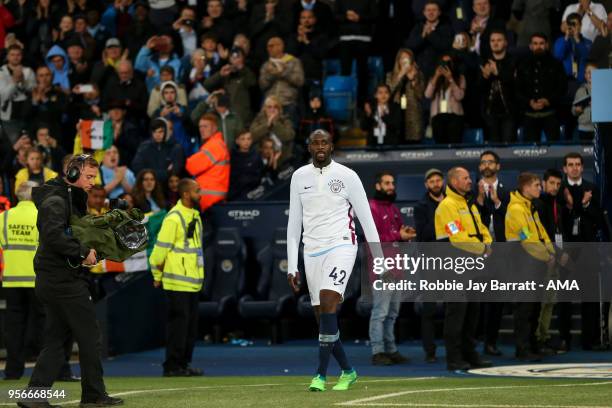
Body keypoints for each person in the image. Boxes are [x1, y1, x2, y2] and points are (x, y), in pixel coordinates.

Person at [23, 154, 122, 407]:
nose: (92, 182)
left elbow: (71, 232)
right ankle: (93, 395)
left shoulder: (65, 197)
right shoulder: (57, 200)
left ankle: (35, 395)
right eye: (88, 176)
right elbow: (54, 235)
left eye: (93, 177)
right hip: (62, 280)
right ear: (73, 173)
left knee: (58, 338)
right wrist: (81, 252)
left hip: (55, 277)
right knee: (89, 335)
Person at [286, 129, 381, 392]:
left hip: (341, 245)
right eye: (315, 142)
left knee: (329, 301)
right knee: (322, 318)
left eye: (324, 142)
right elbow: (294, 224)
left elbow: (366, 220)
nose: (320, 146)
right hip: (311, 251)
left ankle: (320, 375)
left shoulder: (347, 176)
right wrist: (292, 264)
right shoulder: (299, 177)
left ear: (331, 146)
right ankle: (348, 371)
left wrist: (380, 259)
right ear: (309, 147)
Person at [434, 167, 492, 371]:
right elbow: (457, 238)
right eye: (466, 178)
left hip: (474, 265)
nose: (470, 181)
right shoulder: (447, 206)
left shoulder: (469, 205)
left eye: (469, 177)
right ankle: (454, 356)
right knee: (456, 313)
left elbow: (483, 229)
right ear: (454, 181)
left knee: (472, 312)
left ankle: (470, 352)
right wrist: (483, 247)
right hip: (455, 266)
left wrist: (488, 243)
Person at [149, 178, 204, 377]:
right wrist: (157, 275)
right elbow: (159, 251)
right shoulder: (173, 218)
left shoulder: (195, 216)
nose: (201, 194)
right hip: (176, 282)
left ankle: (184, 364)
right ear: (186, 194)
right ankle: (172, 366)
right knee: (178, 328)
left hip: (193, 283)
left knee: (190, 328)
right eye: (198, 191)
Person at [506, 172, 556, 361]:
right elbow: (527, 240)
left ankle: (532, 344)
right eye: (536, 185)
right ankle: (522, 348)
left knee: (534, 307)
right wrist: (547, 256)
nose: (539, 188)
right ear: (525, 187)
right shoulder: (517, 209)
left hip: (535, 262)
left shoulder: (530, 207)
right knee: (525, 308)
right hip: (522, 263)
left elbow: (541, 234)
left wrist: (550, 253)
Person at [368, 172, 413, 365]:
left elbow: (398, 235)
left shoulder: (394, 209)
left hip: (397, 267)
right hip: (381, 267)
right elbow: (373, 238)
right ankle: (377, 351)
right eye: (386, 183)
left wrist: (406, 233)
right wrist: (398, 234)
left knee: (392, 313)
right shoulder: (371, 207)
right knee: (380, 312)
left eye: (392, 183)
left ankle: (391, 349)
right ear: (378, 186)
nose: (391, 186)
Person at [561, 152, 605, 350]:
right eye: (570, 164)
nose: (574, 168)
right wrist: (579, 205)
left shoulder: (591, 189)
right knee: (565, 297)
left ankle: (590, 339)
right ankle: (564, 339)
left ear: (582, 167)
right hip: (566, 249)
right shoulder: (559, 189)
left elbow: (597, 217)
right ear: (565, 168)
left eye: (578, 164)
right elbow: (561, 216)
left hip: (588, 249)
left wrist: (584, 205)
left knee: (590, 297)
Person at [475, 150, 510, 357]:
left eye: (490, 162)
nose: (486, 165)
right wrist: (480, 200)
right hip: (477, 253)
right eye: (483, 162)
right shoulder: (470, 191)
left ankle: (491, 342)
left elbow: (510, 219)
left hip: (500, 252)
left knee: (496, 300)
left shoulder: (507, 192)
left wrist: (497, 202)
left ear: (498, 166)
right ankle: (473, 341)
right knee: (476, 300)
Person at [533, 169, 571, 353]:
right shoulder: (538, 204)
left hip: (555, 257)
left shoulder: (558, 204)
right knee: (541, 301)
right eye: (551, 183)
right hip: (543, 259)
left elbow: (558, 230)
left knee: (550, 301)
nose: (555, 187)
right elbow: (541, 235)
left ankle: (544, 336)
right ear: (543, 183)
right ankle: (536, 338)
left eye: (558, 184)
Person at [414, 168, 445, 363]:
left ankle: (455, 346)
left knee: (455, 305)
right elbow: (423, 234)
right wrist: (442, 213)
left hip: (452, 260)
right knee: (429, 309)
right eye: (431, 181)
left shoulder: (452, 201)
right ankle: (430, 350)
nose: (435, 183)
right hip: (431, 261)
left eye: (438, 180)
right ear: (426, 185)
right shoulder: (421, 206)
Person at [515, 33, 567, 142]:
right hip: (529, 115)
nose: (538, 46)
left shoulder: (556, 64)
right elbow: (517, 90)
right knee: (529, 152)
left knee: (555, 149)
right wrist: (529, 102)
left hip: (551, 115)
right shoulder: (522, 65)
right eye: (535, 43)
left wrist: (548, 100)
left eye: (541, 43)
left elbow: (562, 88)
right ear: (530, 46)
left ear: (547, 45)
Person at [185, 113, 230, 211]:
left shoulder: (214, 145)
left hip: (209, 200)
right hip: (212, 199)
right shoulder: (217, 144)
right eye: (200, 126)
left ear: (214, 128)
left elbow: (192, 166)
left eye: (205, 126)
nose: (202, 129)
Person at [202, 46, 257, 125]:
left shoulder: (247, 72)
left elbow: (253, 84)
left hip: (242, 118)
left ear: (243, 58)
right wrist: (220, 74)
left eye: (238, 56)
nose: (235, 59)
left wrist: (242, 69)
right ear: (229, 59)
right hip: (225, 118)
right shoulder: (224, 73)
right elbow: (206, 85)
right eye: (232, 56)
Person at [480, 30, 516, 143]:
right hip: (489, 113)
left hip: (509, 112)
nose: (495, 43)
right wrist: (485, 77)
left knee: (508, 147)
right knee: (492, 148)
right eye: (492, 40)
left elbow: (516, 85)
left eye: (499, 40)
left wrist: (497, 73)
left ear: (505, 42)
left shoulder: (513, 61)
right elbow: (477, 88)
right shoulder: (483, 61)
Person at [259, 36, 305, 122]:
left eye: (273, 46)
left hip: (287, 102)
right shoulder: (266, 65)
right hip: (270, 104)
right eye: (268, 46)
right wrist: (272, 75)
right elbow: (262, 85)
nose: (269, 49)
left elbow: (300, 81)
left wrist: (283, 73)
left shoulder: (293, 61)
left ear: (281, 46)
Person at [405, 1, 454, 79]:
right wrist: (422, 36)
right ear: (424, 12)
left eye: (434, 10)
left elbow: (445, 45)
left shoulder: (446, 28)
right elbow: (409, 45)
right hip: (419, 72)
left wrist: (431, 34)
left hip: (438, 73)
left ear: (439, 12)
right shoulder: (418, 27)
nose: (431, 13)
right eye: (428, 10)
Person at [425, 54, 467, 144]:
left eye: (448, 63)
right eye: (443, 63)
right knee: (441, 145)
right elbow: (427, 95)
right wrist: (436, 76)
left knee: (454, 144)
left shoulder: (460, 78)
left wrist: (451, 79)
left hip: (454, 117)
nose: (445, 65)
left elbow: (459, 96)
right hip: (438, 117)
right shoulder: (433, 79)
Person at [386, 48, 426, 143]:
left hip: (413, 117)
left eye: (407, 59)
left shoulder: (419, 75)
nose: (405, 61)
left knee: (413, 146)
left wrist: (413, 81)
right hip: (396, 116)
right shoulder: (390, 75)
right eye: (402, 58)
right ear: (398, 60)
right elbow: (388, 93)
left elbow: (421, 96)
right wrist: (400, 75)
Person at [131, 118, 185, 186]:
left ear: (167, 131)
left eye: (160, 132)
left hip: (168, 188)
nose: (157, 135)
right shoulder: (144, 147)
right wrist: (165, 173)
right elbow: (137, 169)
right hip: (148, 187)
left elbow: (175, 172)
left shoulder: (176, 148)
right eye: (154, 132)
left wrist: (149, 171)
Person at [249, 96, 295, 166]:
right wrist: (267, 125)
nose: (272, 109)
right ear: (265, 109)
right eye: (269, 107)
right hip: (260, 158)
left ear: (279, 109)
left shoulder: (285, 120)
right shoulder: (258, 120)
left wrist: (275, 124)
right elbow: (252, 136)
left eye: (275, 107)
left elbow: (289, 136)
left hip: (282, 158)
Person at [553, 13, 593, 84]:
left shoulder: (588, 42)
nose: (572, 27)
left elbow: (586, 57)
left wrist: (577, 39)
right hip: (565, 80)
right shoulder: (561, 41)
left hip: (582, 80)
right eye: (570, 24)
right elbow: (558, 57)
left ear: (580, 25)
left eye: (575, 24)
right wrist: (566, 38)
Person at [228, 130, 263, 200]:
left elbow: (260, 175)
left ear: (252, 140)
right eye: (243, 139)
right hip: (235, 196)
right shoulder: (231, 156)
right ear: (237, 141)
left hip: (254, 195)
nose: (246, 142)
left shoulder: (257, 156)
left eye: (248, 139)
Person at [572, 63, 596, 141]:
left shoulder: (603, 89)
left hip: (599, 128)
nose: (590, 75)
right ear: (585, 75)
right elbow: (573, 109)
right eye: (587, 72)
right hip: (584, 128)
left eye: (592, 72)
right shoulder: (581, 90)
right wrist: (576, 110)